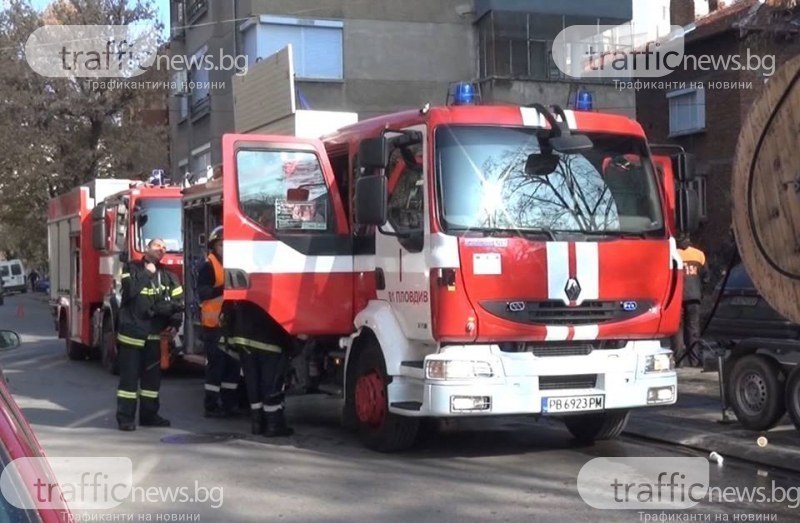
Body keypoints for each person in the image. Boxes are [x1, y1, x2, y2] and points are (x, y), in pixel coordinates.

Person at [116, 238, 184, 431]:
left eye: (164, 248)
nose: (161, 250)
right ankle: (125, 418)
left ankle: (149, 416)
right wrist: (147, 274)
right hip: (132, 335)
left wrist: (174, 323)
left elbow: (178, 303)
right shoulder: (131, 268)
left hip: (155, 336)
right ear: (147, 249)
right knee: (129, 381)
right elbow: (130, 292)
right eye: (157, 246)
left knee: (151, 382)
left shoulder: (169, 276)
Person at [225, 301, 294, 437]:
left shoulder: (246, 282)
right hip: (268, 339)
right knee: (271, 384)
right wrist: (293, 344)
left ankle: (257, 424)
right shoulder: (272, 286)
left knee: (253, 384)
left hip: (243, 337)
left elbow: (228, 308)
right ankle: (273, 426)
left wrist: (231, 337)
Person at [198, 226, 241, 418]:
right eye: (221, 244)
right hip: (213, 326)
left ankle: (229, 404)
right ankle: (211, 406)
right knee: (216, 366)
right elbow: (203, 293)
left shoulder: (236, 264)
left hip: (231, 326)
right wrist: (226, 288)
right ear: (214, 246)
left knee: (232, 366)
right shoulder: (208, 265)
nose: (225, 248)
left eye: (228, 244)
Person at [676, 234, 709, 367]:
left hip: (676, 298)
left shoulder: (673, 254)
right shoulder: (699, 255)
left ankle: (678, 361)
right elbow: (706, 277)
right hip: (694, 297)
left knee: (677, 330)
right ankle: (694, 361)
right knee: (693, 329)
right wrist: (701, 290)